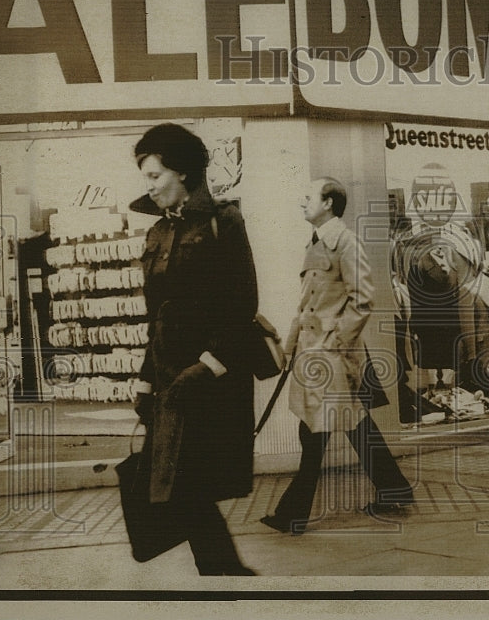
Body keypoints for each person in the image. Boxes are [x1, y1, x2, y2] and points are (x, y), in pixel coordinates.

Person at [129, 123, 257, 575]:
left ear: (181, 172)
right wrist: (146, 380)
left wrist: (207, 367)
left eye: (153, 175)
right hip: (168, 383)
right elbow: (155, 318)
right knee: (183, 488)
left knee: (188, 486)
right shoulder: (157, 234)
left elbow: (242, 307)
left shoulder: (224, 222)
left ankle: (228, 579)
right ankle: (229, 577)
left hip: (208, 382)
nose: (149, 185)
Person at [263, 177, 414, 535]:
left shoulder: (346, 242)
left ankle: (292, 514)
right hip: (315, 356)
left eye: (308, 196)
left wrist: (333, 344)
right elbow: (306, 306)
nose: (303, 202)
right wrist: (289, 349)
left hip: (331, 357)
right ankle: (395, 489)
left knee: (314, 434)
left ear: (328, 203)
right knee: (351, 427)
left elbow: (362, 301)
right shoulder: (317, 242)